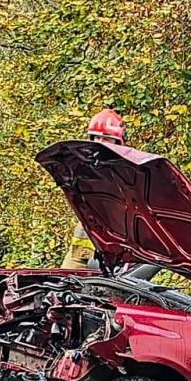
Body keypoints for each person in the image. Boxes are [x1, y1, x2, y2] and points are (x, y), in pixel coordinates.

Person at [61, 108, 127, 270]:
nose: (100, 143)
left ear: (118, 141)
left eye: (106, 138)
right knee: (59, 289)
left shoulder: (128, 172)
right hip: (79, 252)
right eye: (96, 138)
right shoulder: (84, 168)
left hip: (112, 257)